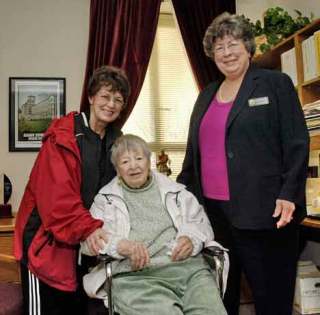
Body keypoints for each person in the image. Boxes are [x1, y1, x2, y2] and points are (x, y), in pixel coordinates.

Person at [177, 12, 309, 315]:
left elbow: (297, 143)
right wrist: (179, 202)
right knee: (222, 296)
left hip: (266, 214)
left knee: (270, 297)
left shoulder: (274, 84)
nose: (227, 52)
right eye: (219, 47)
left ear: (248, 47)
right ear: (212, 55)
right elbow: (192, 156)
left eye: (233, 43)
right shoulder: (206, 95)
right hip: (214, 218)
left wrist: (289, 193)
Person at [14, 65, 131, 315]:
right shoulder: (63, 137)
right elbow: (57, 204)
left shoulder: (117, 143)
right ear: (90, 97)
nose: (111, 104)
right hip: (46, 247)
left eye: (118, 100)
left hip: (84, 248)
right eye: (105, 96)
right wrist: (91, 228)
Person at [81, 134, 227, 315]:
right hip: (136, 277)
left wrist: (190, 239)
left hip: (188, 271)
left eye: (139, 158)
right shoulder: (105, 200)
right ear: (117, 169)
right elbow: (88, 243)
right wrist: (120, 245)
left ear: (148, 161)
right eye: (125, 161)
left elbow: (201, 224)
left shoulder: (176, 192)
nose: (133, 166)